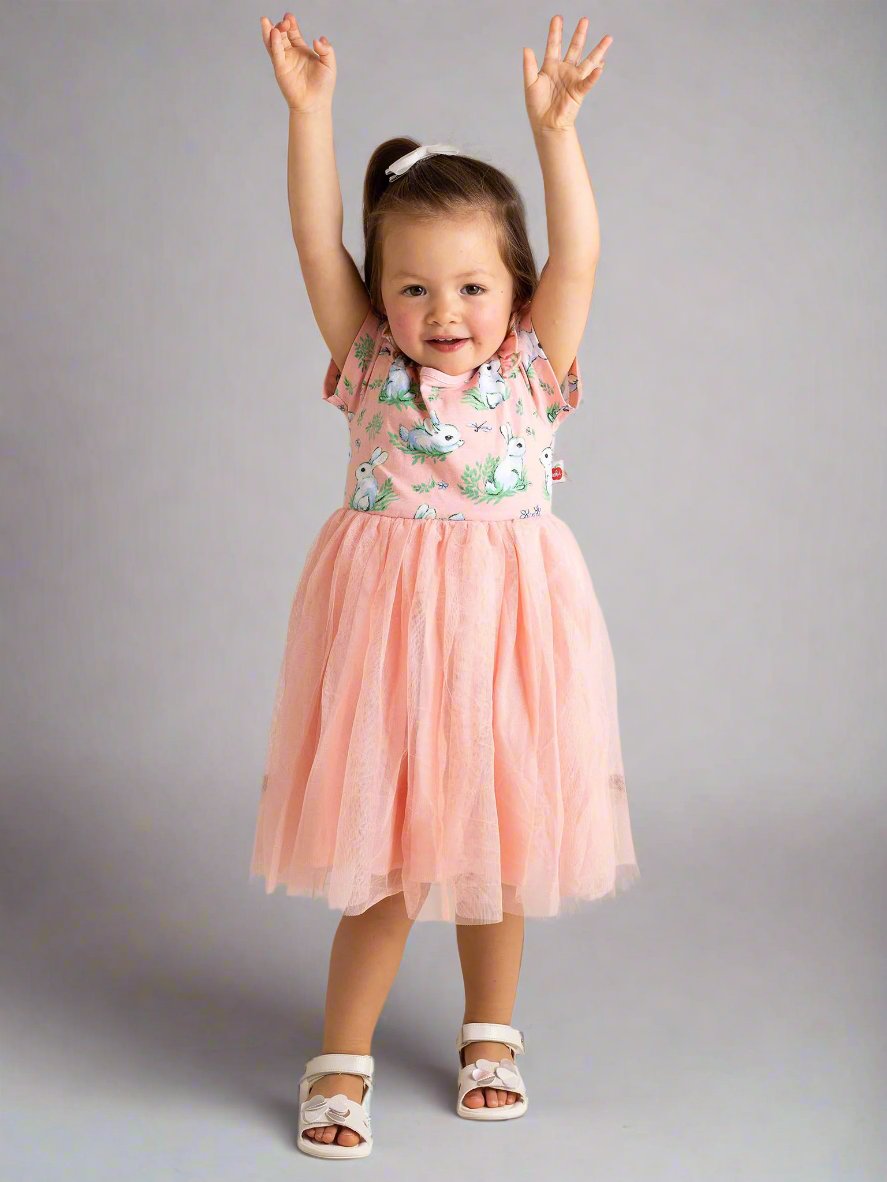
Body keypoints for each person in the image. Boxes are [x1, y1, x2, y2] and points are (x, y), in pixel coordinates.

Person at [254, 11, 640, 1159]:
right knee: (382, 865)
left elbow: (579, 254)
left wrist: (554, 136)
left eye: (471, 288)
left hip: (508, 633)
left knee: (496, 848)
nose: (443, 314)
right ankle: (341, 1059)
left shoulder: (533, 362)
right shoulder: (368, 357)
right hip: (386, 638)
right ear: (382, 298)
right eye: (413, 289)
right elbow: (315, 245)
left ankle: (490, 1033)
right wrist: (312, 115)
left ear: (512, 291)